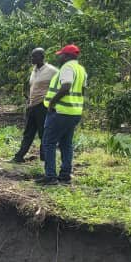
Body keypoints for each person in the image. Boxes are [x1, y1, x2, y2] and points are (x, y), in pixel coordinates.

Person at [37, 44, 87, 186]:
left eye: (61, 55)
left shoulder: (67, 68)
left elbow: (66, 86)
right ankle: (65, 174)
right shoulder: (81, 69)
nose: (59, 57)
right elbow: (82, 91)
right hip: (74, 112)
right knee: (66, 143)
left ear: (68, 56)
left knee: (49, 142)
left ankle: (50, 176)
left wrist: (52, 103)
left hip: (60, 112)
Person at [11, 48, 56, 163]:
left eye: (34, 56)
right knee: (28, 133)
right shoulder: (34, 70)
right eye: (32, 56)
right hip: (32, 105)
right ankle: (19, 156)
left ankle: (45, 158)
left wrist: (52, 101)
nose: (32, 59)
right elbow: (32, 87)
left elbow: (60, 85)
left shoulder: (52, 70)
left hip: (43, 105)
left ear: (42, 56)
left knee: (43, 133)